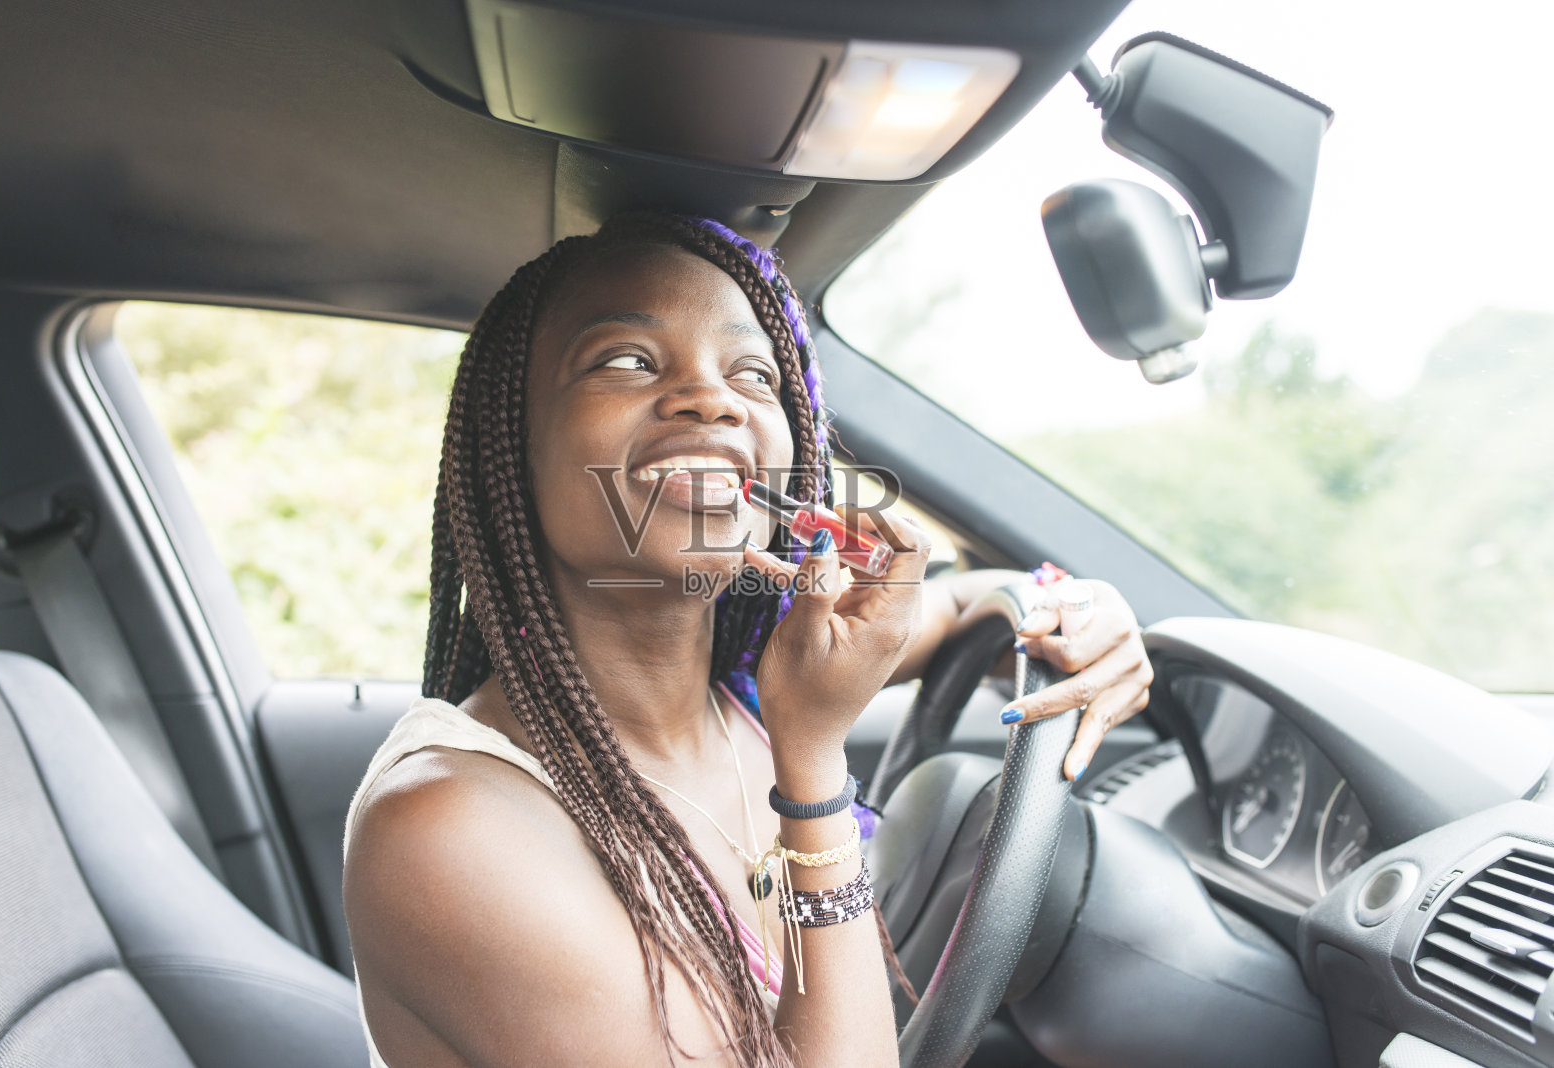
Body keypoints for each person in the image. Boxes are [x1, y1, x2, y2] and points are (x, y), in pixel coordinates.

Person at [342, 212, 1154, 1067]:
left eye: (754, 373)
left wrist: (1074, 612)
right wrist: (811, 768)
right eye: (626, 360)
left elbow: (957, 609)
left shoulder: (743, 678)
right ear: (513, 446)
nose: (714, 397)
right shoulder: (451, 827)